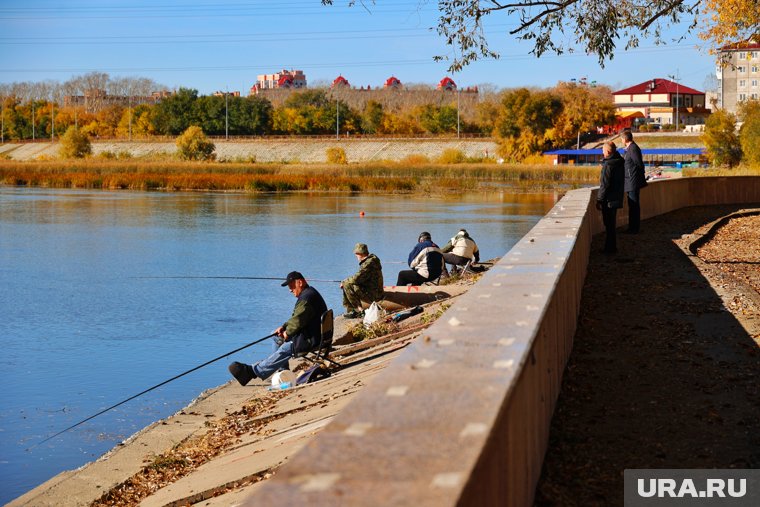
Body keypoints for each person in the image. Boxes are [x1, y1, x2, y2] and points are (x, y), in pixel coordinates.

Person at [228, 271, 327, 385]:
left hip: (311, 339)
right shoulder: (309, 294)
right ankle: (282, 372)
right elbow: (297, 318)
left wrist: (287, 333)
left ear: (300, 282)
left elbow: (298, 321)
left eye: (292, 286)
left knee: (285, 348)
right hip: (313, 334)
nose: (290, 290)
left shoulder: (306, 298)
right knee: (275, 336)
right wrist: (284, 327)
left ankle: (253, 372)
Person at [340, 243, 384, 319]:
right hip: (375, 289)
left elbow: (357, 279)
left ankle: (358, 311)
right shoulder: (372, 260)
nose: (356, 256)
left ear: (360, 253)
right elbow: (361, 278)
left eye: (356, 254)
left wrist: (344, 281)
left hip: (375, 293)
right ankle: (354, 310)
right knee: (348, 283)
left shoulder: (368, 264)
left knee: (346, 284)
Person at [596, 141, 625, 254]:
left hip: (608, 200)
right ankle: (611, 247)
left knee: (608, 225)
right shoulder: (619, 162)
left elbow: (605, 184)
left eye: (603, 151)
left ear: (608, 152)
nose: (602, 154)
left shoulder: (608, 165)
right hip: (616, 197)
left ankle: (609, 249)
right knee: (611, 224)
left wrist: (599, 199)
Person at [621, 130, 647, 233]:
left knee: (634, 206)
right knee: (632, 205)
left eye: (622, 139)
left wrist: (635, 177)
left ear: (625, 139)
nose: (621, 140)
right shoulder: (630, 149)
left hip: (633, 182)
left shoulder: (633, 149)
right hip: (630, 181)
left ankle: (634, 229)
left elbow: (639, 164)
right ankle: (632, 227)